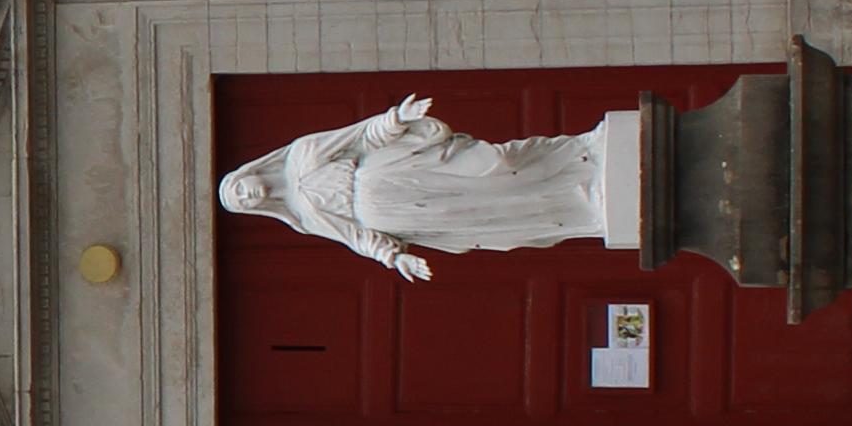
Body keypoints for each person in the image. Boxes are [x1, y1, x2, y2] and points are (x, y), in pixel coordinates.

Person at [214, 95, 638, 281]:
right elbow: (357, 238)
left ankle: (583, 154)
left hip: (406, 171)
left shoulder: (305, 155)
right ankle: (580, 205)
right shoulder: (305, 220)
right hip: (415, 216)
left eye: (241, 188)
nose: (248, 195)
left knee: (500, 167)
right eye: (243, 202)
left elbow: (360, 138)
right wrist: (394, 257)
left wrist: (395, 119)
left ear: (248, 173)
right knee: (498, 214)